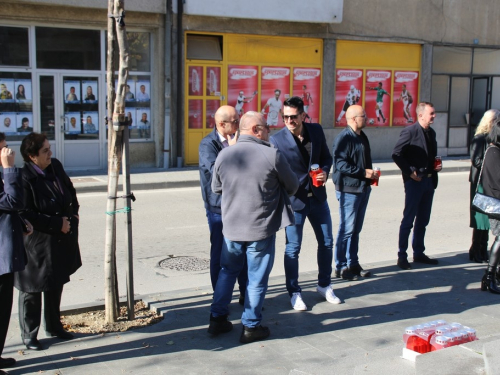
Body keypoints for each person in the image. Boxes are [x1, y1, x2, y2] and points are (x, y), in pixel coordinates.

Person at [207, 111, 299, 344]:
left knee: (227, 272)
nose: (270, 130)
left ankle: (217, 318)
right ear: (256, 130)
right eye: (267, 127)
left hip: (232, 228)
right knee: (256, 279)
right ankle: (251, 326)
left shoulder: (225, 154)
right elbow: (293, 186)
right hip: (260, 229)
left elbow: (216, 188)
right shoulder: (272, 154)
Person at [270, 96, 340, 311]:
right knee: (293, 249)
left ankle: (324, 284)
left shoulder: (316, 130)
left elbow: (327, 158)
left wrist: (325, 173)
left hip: (318, 198)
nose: (289, 121)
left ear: (303, 115)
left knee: (327, 243)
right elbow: (275, 172)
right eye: (285, 117)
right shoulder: (277, 139)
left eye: (293, 117)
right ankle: (294, 292)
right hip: (294, 201)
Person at [15, 133, 82, 351]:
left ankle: (54, 326)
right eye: (45, 151)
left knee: (56, 284)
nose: (50, 153)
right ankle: (29, 335)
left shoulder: (55, 166)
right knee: (32, 290)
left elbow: (70, 191)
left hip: (60, 241)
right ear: (32, 156)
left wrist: (74, 216)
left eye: (49, 148)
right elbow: (25, 212)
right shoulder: (23, 177)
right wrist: (56, 223)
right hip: (37, 245)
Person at [199, 105, 247, 300]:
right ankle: (220, 299)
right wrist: (234, 151)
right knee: (220, 253)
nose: (238, 124)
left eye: (239, 120)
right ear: (221, 124)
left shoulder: (240, 139)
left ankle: (246, 294)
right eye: (235, 121)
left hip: (241, 204)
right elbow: (217, 172)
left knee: (243, 252)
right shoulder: (207, 144)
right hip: (219, 207)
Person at [392, 102, 442, 270]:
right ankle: (402, 255)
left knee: (423, 220)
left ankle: (418, 253)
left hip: (429, 181)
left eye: (434, 113)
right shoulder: (410, 131)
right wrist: (410, 171)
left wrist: (436, 166)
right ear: (421, 115)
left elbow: (431, 155)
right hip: (415, 182)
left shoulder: (431, 133)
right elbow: (397, 154)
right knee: (408, 219)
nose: (434, 116)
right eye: (432, 113)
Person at [332, 105, 376, 280]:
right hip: (348, 190)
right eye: (363, 116)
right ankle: (341, 266)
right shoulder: (344, 138)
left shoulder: (362, 136)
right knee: (347, 229)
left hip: (363, 188)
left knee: (356, 229)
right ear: (353, 119)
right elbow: (340, 164)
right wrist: (363, 172)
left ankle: (353, 263)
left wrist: (370, 176)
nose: (366, 118)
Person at [0, 134, 31, 373]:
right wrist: (9, 169)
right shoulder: (5, 169)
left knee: (3, 309)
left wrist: (20, 223)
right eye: (2, 148)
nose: (7, 152)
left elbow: (14, 205)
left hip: (5, 251)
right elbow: (11, 201)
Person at [469, 110, 500, 263]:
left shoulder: (492, 139)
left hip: (489, 182)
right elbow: (476, 160)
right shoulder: (479, 138)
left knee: (488, 219)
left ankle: (483, 249)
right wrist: (490, 164)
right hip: (480, 183)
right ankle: (476, 249)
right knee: (480, 219)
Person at [479, 120, 500, 293]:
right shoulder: (493, 151)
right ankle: (489, 275)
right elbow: (495, 182)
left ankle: (494, 274)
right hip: (496, 204)